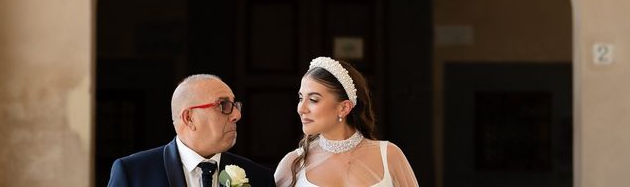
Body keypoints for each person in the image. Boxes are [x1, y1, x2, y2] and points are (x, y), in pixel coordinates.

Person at [107, 73, 275, 187]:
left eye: (235, 105)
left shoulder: (259, 178)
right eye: (223, 105)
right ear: (189, 118)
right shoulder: (133, 173)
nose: (236, 115)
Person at [275, 57, 419, 187]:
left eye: (313, 100)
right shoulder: (293, 164)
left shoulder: (389, 155)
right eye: (301, 98)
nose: (301, 108)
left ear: (344, 108)